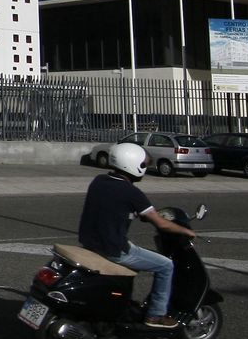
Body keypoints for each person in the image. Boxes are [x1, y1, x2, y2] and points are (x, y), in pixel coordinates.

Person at [78, 141, 196, 329]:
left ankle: (125, 304)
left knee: (140, 256)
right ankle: (156, 315)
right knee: (165, 265)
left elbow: (113, 207)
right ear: (133, 165)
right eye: (143, 164)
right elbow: (159, 222)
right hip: (114, 249)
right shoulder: (132, 193)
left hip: (90, 243)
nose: (145, 168)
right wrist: (186, 231)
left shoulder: (98, 181)